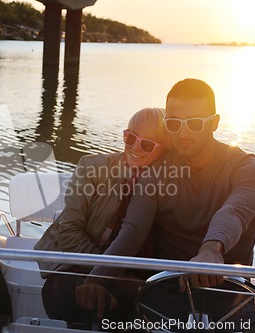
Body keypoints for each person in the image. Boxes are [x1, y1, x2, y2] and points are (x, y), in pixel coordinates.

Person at [78, 78, 255, 332]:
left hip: (229, 290)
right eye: (174, 124)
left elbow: (235, 211)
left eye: (195, 124)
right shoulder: (155, 172)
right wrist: (96, 278)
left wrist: (211, 249)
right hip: (166, 287)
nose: (183, 133)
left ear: (214, 123)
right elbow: (132, 231)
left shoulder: (247, 168)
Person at [34, 107, 168, 329]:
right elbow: (68, 232)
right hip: (81, 265)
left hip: (138, 276)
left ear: (165, 149)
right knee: (64, 293)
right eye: (130, 138)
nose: (135, 148)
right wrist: (113, 274)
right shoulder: (93, 167)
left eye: (147, 144)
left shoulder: (170, 181)